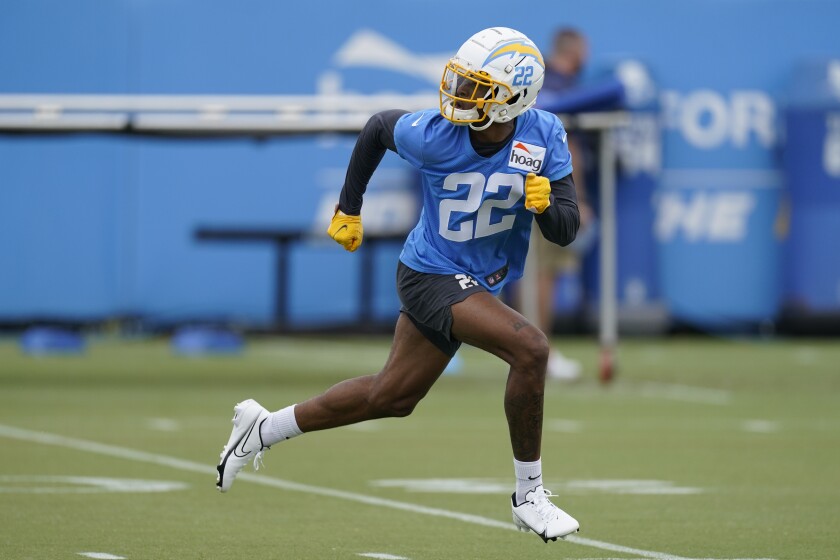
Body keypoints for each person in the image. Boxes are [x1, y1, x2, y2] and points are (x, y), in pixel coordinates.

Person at [215, 27, 581, 543]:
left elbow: (566, 231)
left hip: (475, 279)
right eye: (463, 82)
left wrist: (545, 205)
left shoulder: (543, 134)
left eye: (478, 89)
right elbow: (376, 129)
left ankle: (263, 428)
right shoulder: (434, 133)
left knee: (392, 396)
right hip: (430, 272)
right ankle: (530, 496)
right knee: (530, 348)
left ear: (513, 98)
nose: (460, 95)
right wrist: (349, 207)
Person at [523, 27, 597, 381]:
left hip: (510, 181)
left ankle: (524, 348)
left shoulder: (534, 81)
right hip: (545, 189)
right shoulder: (564, 89)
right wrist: (578, 198)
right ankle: (536, 352)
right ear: (575, 50)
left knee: (518, 270)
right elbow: (572, 151)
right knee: (542, 272)